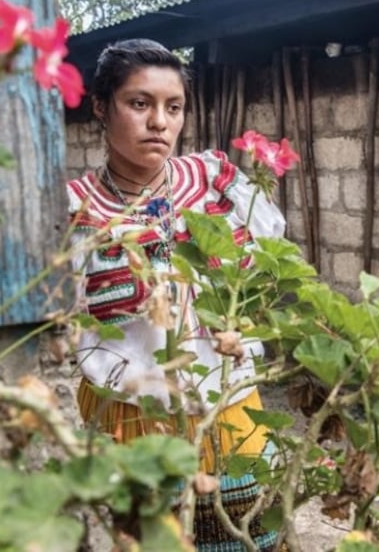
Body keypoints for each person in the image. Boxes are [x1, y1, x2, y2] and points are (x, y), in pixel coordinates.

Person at [66, 38, 285, 549]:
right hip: (133, 406)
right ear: (101, 107)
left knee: (245, 530)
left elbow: (271, 242)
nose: (159, 122)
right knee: (152, 537)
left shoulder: (212, 180)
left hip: (226, 393)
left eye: (173, 107)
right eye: (139, 104)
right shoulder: (78, 209)